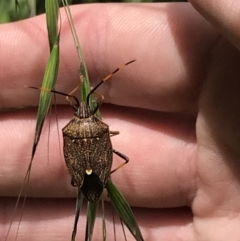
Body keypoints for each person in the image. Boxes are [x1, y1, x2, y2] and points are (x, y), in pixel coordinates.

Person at [1, 1, 240, 240]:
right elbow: (99, 101)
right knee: (122, 159)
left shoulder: (69, 131)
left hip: (88, 172)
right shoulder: (101, 127)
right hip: (100, 167)